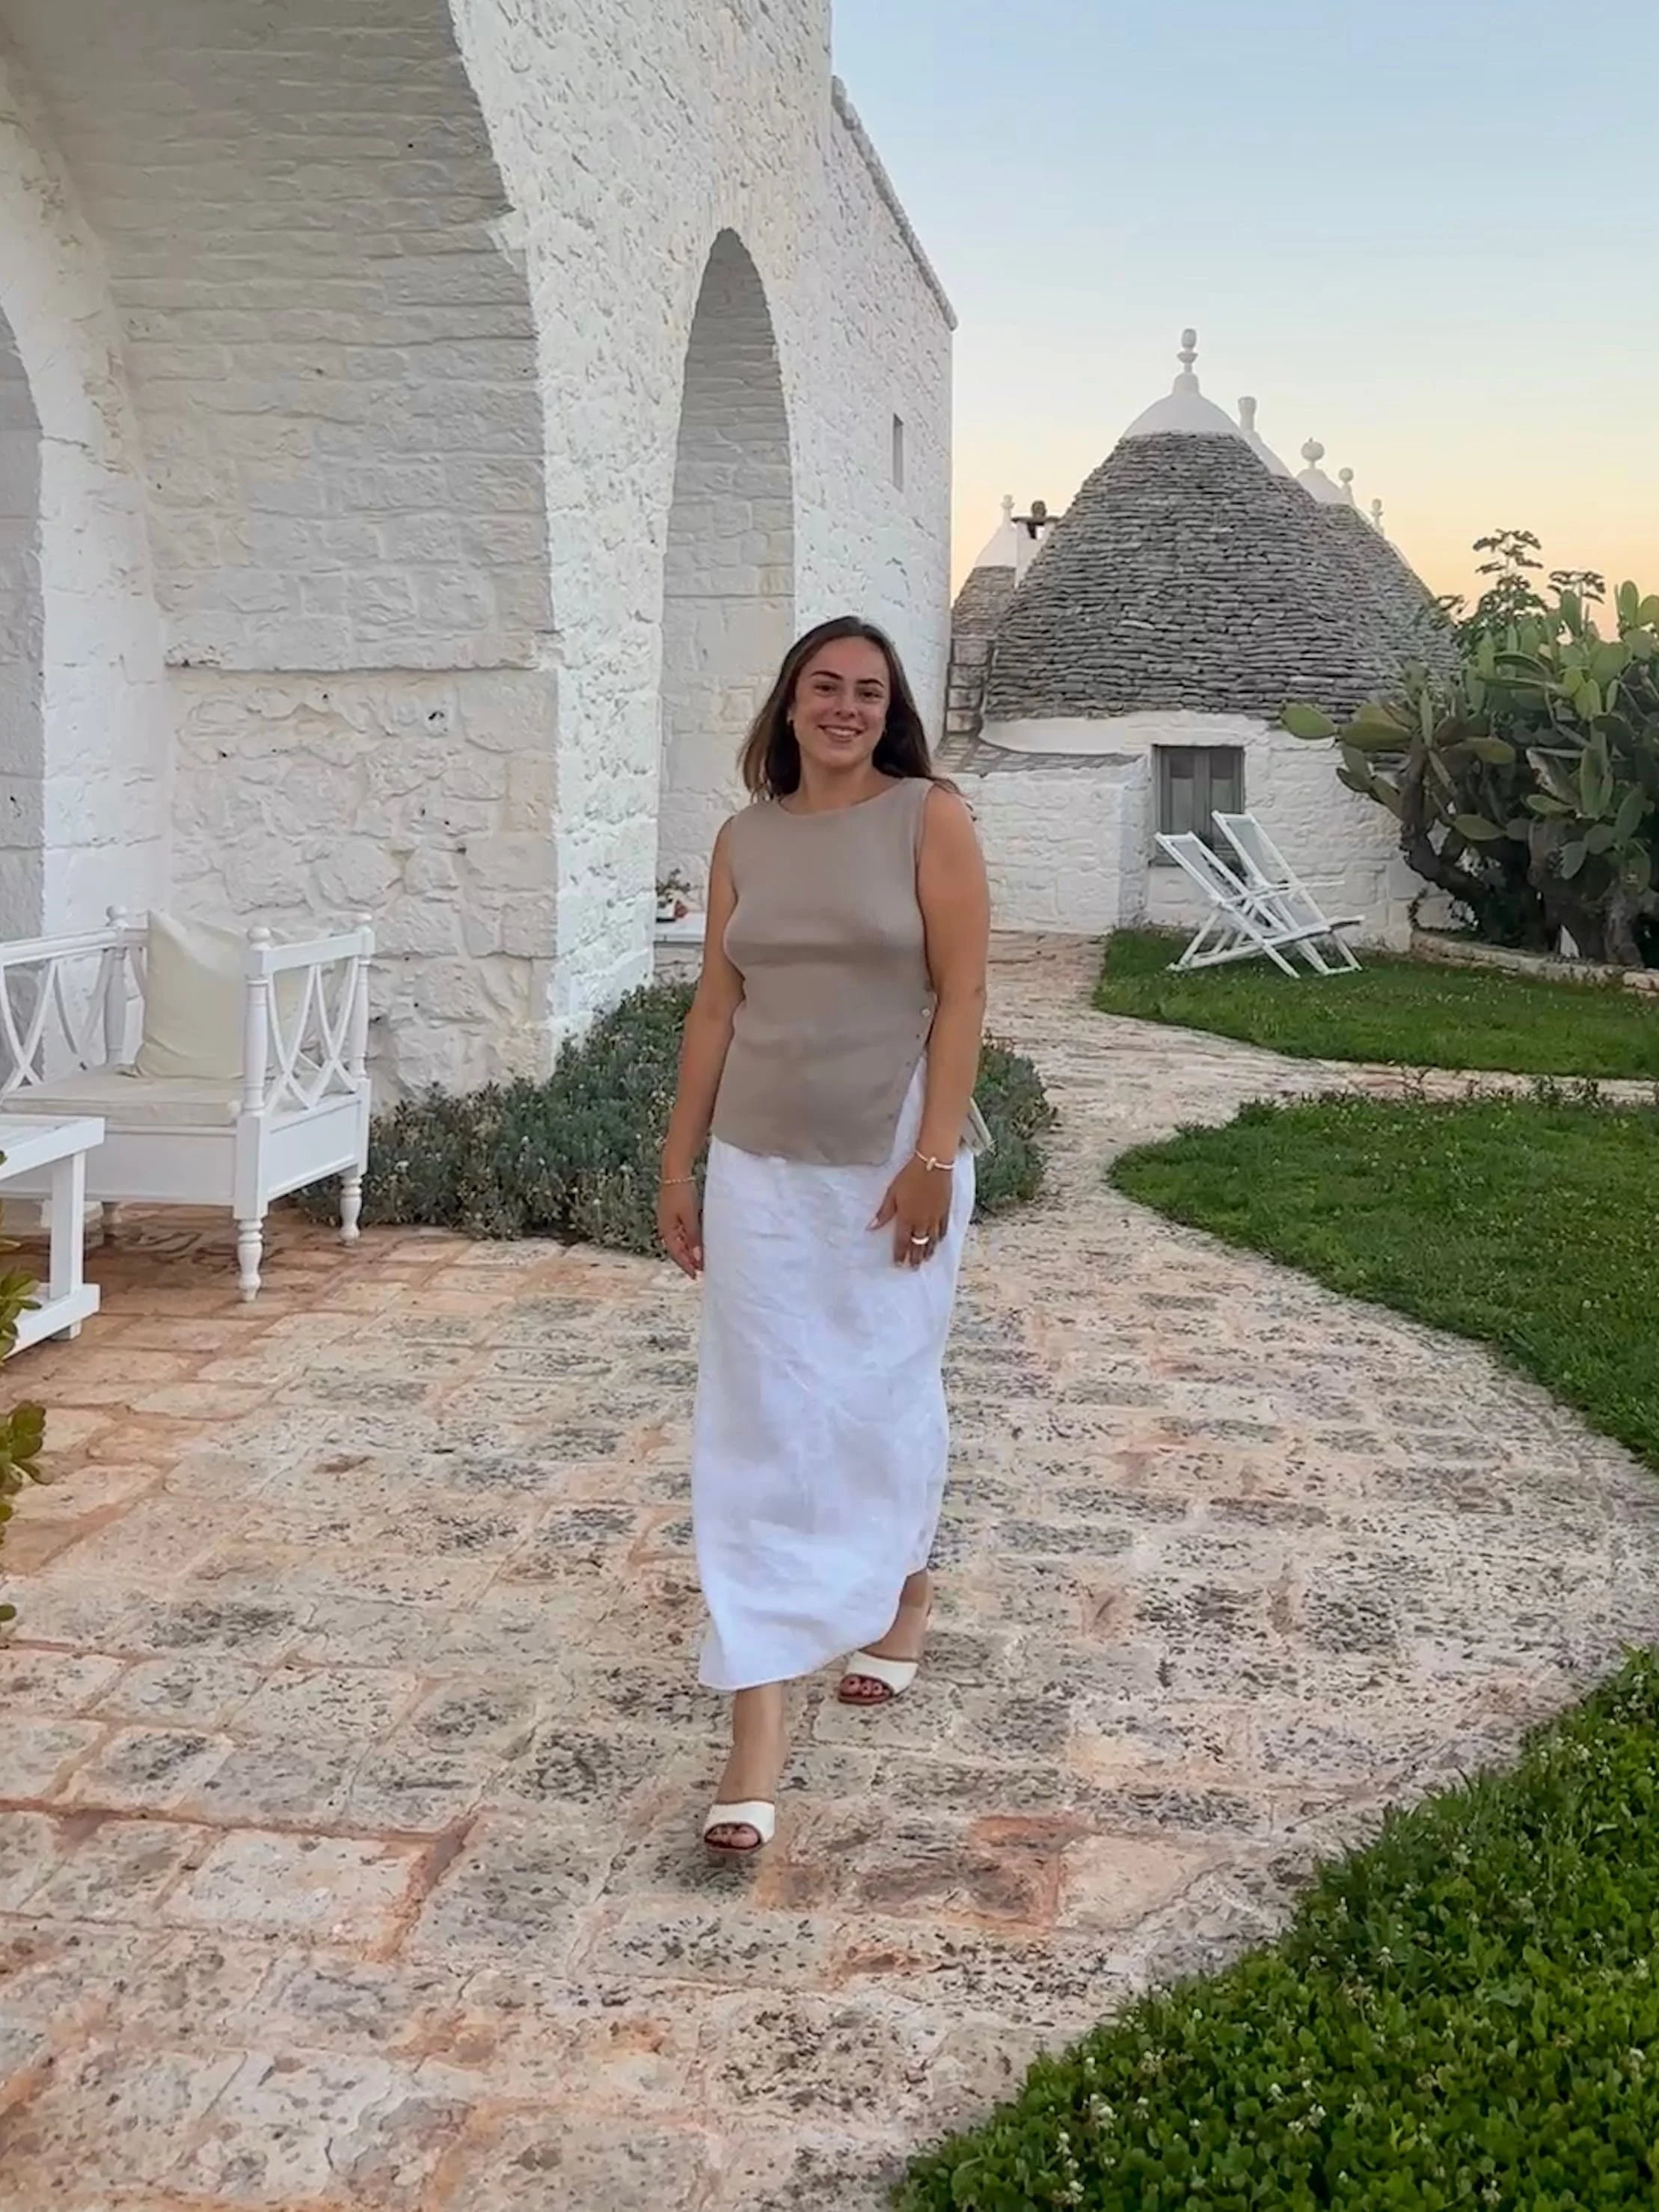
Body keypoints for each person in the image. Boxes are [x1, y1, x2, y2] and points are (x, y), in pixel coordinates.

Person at [657, 615, 991, 1857]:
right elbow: (714, 1004)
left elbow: (961, 992)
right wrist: (677, 1163)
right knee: (755, 1418)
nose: (845, 707)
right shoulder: (743, 837)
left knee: (875, 1389)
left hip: (888, 1156)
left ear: (887, 708)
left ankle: (903, 1591)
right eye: (822, 687)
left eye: (867, 690)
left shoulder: (928, 816)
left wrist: (933, 1161)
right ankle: (755, 1726)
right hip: (757, 1163)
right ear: (788, 704)